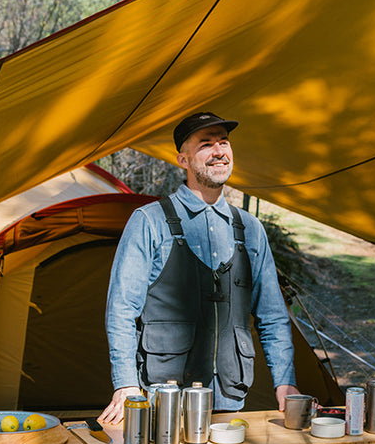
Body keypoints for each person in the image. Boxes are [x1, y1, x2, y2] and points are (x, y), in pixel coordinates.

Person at [100, 112, 299, 424]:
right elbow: (122, 309)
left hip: (228, 392)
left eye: (224, 142)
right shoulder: (149, 221)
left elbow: (273, 316)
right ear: (183, 159)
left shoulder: (250, 228)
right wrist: (125, 382)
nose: (219, 151)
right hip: (162, 393)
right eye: (206, 144)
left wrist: (285, 381)